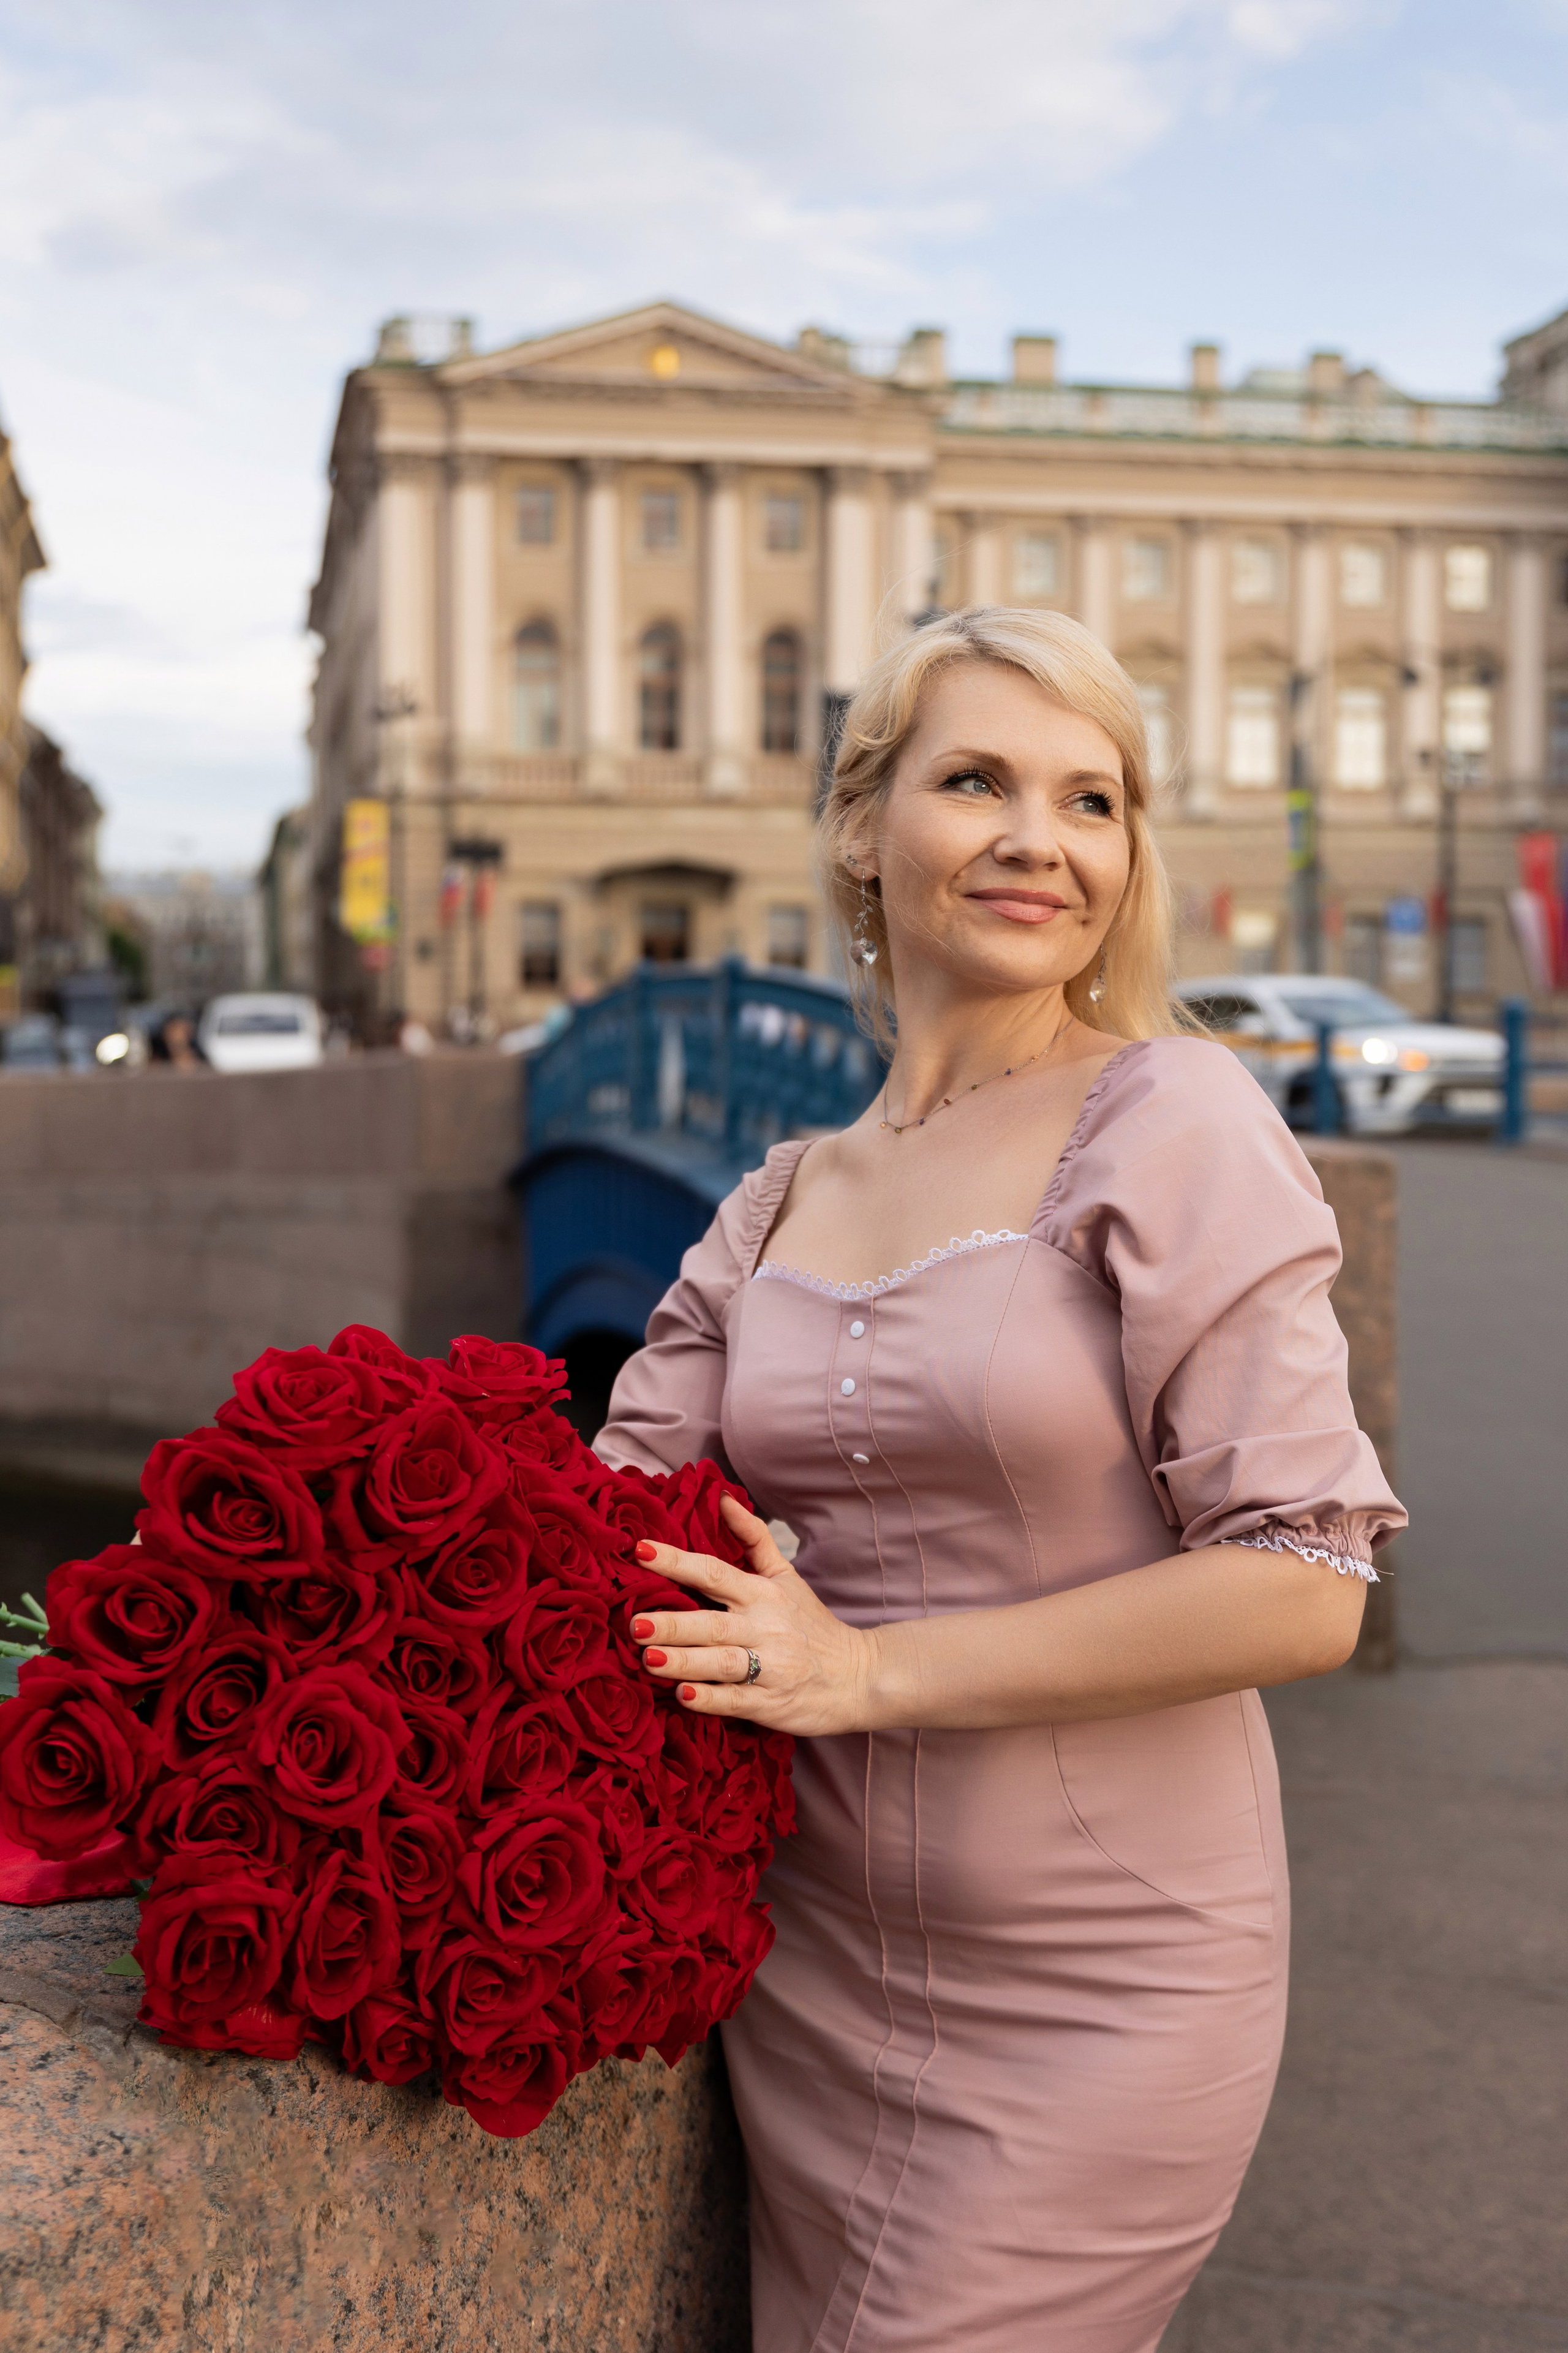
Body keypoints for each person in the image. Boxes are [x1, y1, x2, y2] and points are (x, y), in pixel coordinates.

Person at [596, 606, 1405, 2353]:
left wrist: (866, 1671)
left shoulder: (1174, 1115)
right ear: (859, 827)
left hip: (1107, 1983)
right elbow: (601, 1524)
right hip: (806, 1973)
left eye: (1091, 799)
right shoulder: (778, 1196)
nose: (1043, 839)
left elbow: (1305, 1581)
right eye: (977, 781)